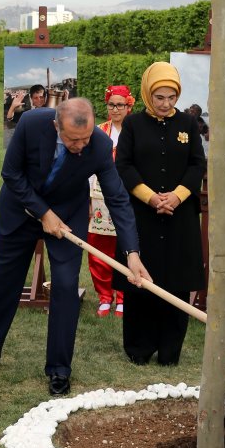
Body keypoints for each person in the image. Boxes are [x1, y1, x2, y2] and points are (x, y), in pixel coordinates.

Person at [0, 97, 151, 396]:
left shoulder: (99, 144)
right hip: (20, 210)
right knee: (4, 281)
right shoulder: (31, 124)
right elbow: (11, 174)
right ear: (56, 125)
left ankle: (59, 369)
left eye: (85, 139)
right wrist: (43, 213)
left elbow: (118, 199)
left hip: (68, 216)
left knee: (67, 287)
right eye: (73, 140)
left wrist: (132, 254)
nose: (80, 146)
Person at [115, 61, 205, 366]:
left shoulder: (189, 124)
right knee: (141, 279)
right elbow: (124, 165)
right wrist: (151, 198)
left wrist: (177, 196)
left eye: (172, 97)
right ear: (147, 94)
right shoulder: (132, 125)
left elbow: (197, 164)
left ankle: (170, 351)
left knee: (177, 280)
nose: (166, 104)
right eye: (159, 98)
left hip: (180, 216)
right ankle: (139, 348)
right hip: (143, 215)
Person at [88, 84, 135, 318]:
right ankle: (105, 296)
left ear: (129, 106)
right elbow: (87, 166)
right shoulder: (98, 132)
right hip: (99, 197)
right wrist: (87, 198)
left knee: (127, 245)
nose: (115, 109)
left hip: (127, 197)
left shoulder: (135, 132)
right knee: (99, 247)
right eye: (111, 105)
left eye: (120, 105)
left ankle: (124, 297)